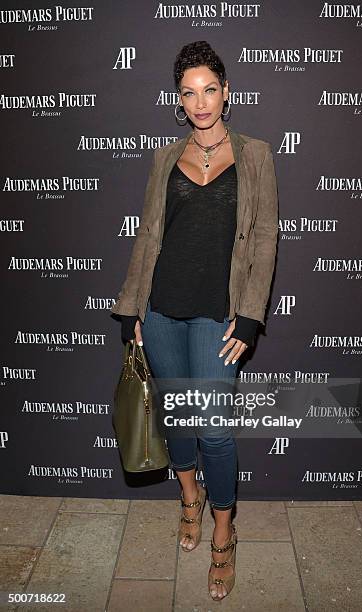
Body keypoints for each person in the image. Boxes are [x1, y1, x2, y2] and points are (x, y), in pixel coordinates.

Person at [110, 40, 278, 601]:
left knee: (214, 430)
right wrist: (135, 309)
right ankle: (189, 498)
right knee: (177, 425)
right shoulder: (163, 158)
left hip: (216, 315)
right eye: (189, 93)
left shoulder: (255, 154)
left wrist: (251, 316)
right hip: (161, 310)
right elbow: (149, 238)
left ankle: (224, 532)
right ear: (178, 100)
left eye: (210, 90)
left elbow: (264, 242)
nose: (200, 102)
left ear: (226, 93)